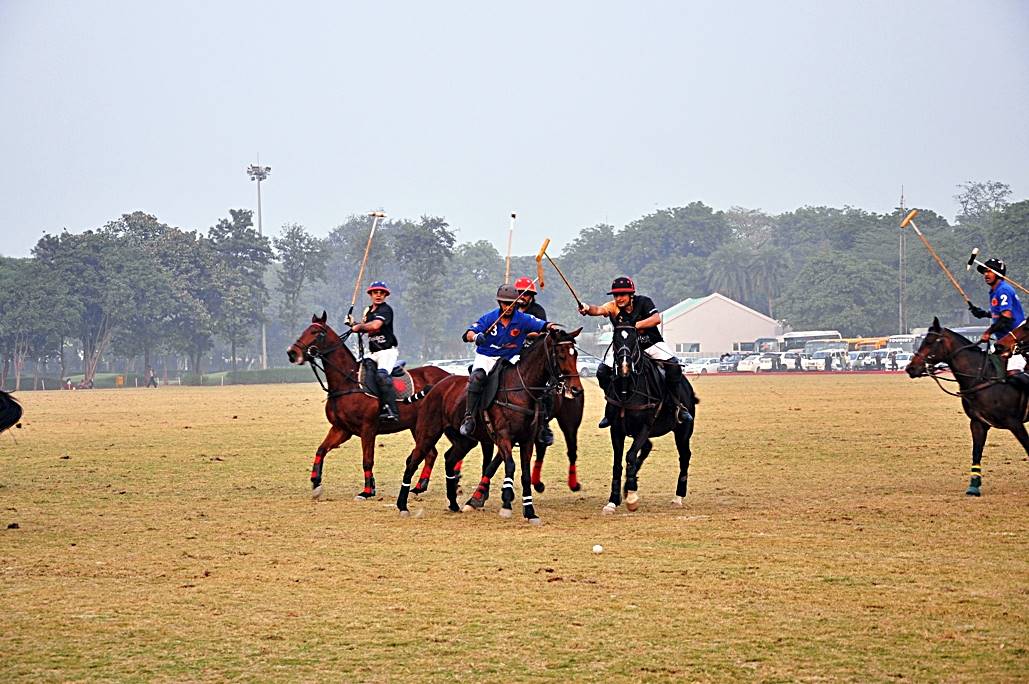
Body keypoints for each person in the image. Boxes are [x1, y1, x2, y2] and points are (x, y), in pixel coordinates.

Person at [578, 276, 693, 427]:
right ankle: (611, 408)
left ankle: (677, 405)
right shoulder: (613, 307)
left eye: (622, 294)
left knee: (673, 366)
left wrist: (634, 325)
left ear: (631, 294)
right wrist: (587, 309)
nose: (619, 298)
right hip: (624, 347)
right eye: (616, 295)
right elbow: (599, 309)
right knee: (602, 372)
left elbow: (656, 319)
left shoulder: (644, 302)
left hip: (650, 343)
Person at [460, 284, 558, 436]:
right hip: (488, 356)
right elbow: (468, 334)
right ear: (500, 303)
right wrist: (476, 337)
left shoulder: (523, 319)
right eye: (506, 303)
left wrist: (552, 327)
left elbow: (543, 325)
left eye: (512, 304)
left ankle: (541, 423)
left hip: (511, 357)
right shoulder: (490, 318)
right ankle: (469, 417)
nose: (509, 307)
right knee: (476, 378)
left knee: (533, 379)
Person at [347, 280, 400, 421]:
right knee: (361, 372)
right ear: (370, 294)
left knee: (382, 376)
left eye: (381, 293)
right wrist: (353, 323)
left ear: (385, 295)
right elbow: (365, 327)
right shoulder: (369, 311)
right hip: (373, 353)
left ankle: (391, 410)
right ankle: (371, 405)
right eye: (375, 292)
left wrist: (358, 327)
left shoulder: (386, 310)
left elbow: (375, 326)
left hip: (387, 352)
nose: (378, 295)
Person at [513, 276, 556, 446]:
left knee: (546, 388)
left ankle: (544, 425)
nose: (522, 296)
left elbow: (540, 332)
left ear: (531, 296)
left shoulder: (537, 311)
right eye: (519, 293)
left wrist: (522, 332)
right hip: (510, 351)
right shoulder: (509, 309)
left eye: (526, 294)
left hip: (531, 355)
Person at [968, 258, 1026, 346]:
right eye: (984, 272)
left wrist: (988, 332)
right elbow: (999, 314)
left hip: (1016, 341)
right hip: (1004, 341)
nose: (986, 274)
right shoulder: (994, 291)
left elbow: (1006, 318)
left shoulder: (1003, 290)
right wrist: (984, 314)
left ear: (998, 274)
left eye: (989, 271)